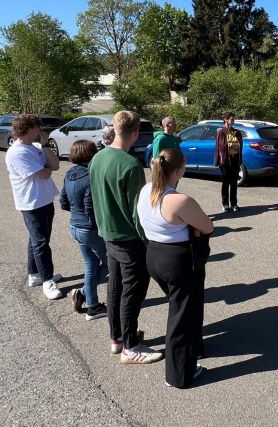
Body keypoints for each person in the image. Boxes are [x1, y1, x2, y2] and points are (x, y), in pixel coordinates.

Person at [89, 110, 163, 365]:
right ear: (135, 133)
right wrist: (149, 241)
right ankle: (131, 347)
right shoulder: (131, 166)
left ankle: (117, 338)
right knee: (131, 292)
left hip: (108, 234)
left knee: (116, 287)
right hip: (129, 238)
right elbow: (137, 212)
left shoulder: (98, 157)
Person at [140, 148, 215, 388]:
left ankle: (193, 350)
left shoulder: (145, 191)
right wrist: (193, 228)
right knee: (181, 317)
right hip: (179, 262)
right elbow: (208, 226)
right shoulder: (179, 200)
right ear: (180, 170)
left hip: (154, 256)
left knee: (186, 308)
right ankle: (179, 375)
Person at [5, 114, 64, 301]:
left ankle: (35, 274)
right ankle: (47, 281)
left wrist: (46, 146)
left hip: (45, 200)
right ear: (28, 129)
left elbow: (55, 166)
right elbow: (44, 174)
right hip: (31, 204)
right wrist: (47, 166)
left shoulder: (37, 147)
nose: (41, 130)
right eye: (38, 127)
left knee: (37, 239)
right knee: (40, 243)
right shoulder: (17, 152)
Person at [59, 140, 108, 321]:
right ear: (91, 154)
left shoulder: (70, 173)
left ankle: (91, 304)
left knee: (91, 266)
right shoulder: (90, 176)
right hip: (89, 229)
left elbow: (64, 202)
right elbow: (90, 208)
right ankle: (85, 296)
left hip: (75, 225)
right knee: (110, 262)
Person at [213, 113, 243, 213]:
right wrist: (217, 160)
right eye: (231, 119)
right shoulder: (221, 132)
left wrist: (233, 146)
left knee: (234, 183)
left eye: (234, 119)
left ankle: (234, 204)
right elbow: (218, 147)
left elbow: (240, 146)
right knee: (225, 183)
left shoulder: (237, 132)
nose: (233, 121)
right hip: (225, 161)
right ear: (226, 120)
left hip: (235, 160)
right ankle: (225, 204)